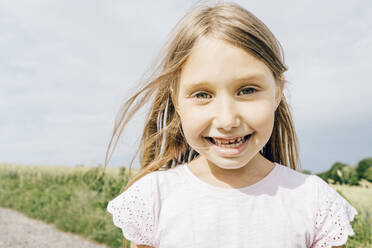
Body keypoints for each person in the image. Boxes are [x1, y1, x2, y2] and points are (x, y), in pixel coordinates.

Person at [106, 2, 358, 248]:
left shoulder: (314, 203)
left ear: (277, 92)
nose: (227, 120)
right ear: (176, 100)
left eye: (247, 90)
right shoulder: (154, 199)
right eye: (202, 94)